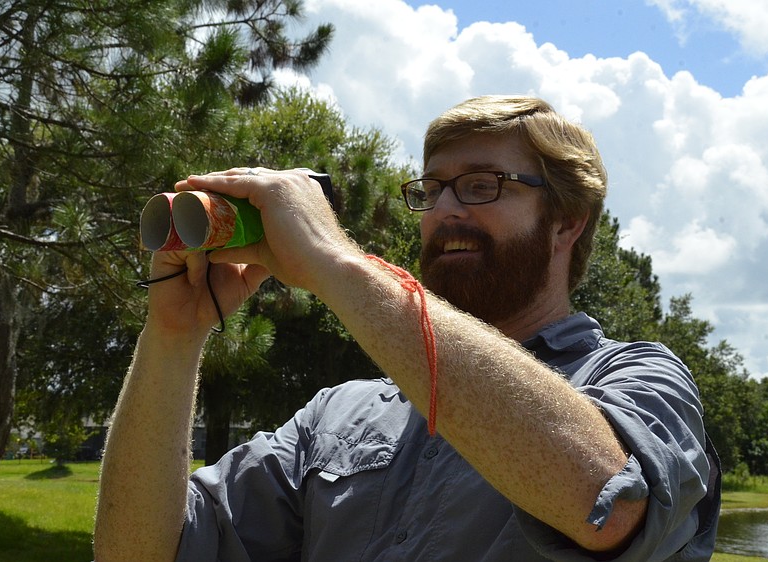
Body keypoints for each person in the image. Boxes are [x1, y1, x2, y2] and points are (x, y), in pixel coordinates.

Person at [93, 95, 720, 561]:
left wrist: (337, 263)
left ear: (567, 222)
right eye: (431, 189)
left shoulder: (637, 378)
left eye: (481, 186)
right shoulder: (336, 416)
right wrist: (173, 336)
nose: (444, 209)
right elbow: (140, 551)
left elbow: (606, 503)